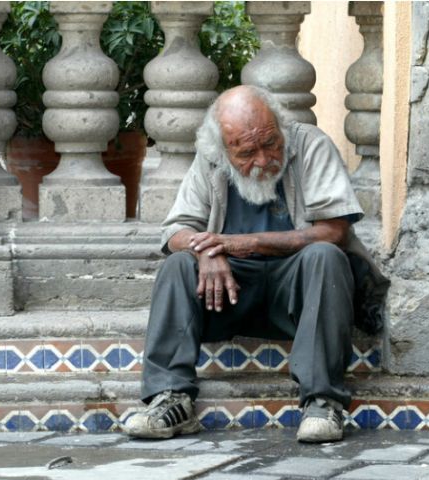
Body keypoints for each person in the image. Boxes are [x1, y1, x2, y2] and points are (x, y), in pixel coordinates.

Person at [123, 85, 389, 443]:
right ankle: (170, 398)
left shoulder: (310, 144)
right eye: (247, 152)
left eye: (271, 143)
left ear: (282, 126)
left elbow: (335, 230)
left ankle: (323, 401)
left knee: (326, 255)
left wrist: (243, 243)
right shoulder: (209, 158)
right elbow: (176, 230)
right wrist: (207, 251)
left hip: (299, 291)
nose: (263, 160)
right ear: (223, 150)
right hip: (228, 293)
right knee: (177, 266)